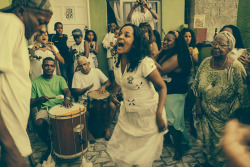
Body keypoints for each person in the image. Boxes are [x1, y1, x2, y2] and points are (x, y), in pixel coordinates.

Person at [107, 24, 167, 167]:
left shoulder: (144, 62)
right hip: (128, 116)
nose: (120, 36)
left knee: (141, 162)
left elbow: (162, 87)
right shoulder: (117, 61)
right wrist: (113, 94)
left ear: (135, 43)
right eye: (120, 34)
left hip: (148, 119)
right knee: (125, 156)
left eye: (127, 35)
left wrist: (159, 114)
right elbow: (119, 80)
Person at [0, 0, 52, 166]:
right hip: (9, 143)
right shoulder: (11, 23)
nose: (43, 29)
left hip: (16, 139)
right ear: (22, 11)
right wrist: (9, 146)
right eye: (41, 21)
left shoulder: (18, 32)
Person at [192, 31, 249, 167]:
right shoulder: (205, 62)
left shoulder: (236, 68)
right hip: (205, 115)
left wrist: (235, 119)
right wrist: (198, 106)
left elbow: (243, 97)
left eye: (221, 45)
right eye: (214, 43)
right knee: (208, 145)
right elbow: (196, 86)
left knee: (223, 149)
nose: (216, 47)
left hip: (225, 118)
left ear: (230, 48)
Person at [154, 30, 192, 160]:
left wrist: (150, 58)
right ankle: (168, 140)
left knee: (173, 121)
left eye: (168, 40)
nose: (165, 42)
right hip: (166, 91)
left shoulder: (177, 56)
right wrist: (158, 53)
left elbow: (162, 69)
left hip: (176, 93)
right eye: (164, 39)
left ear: (176, 43)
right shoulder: (167, 53)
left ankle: (178, 150)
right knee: (165, 118)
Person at [31, 57, 72, 163]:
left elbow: (67, 91)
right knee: (39, 123)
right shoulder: (35, 82)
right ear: (42, 66)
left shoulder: (59, 79)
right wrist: (39, 100)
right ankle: (49, 144)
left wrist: (67, 98)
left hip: (60, 106)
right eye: (46, 65)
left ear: (54, 67)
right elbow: (31, 103)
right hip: (45, 109)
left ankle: (68, 144)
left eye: (51, 65)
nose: (49, 68)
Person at [71, 56, 116, 140]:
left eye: (84, 64)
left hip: (99, 99)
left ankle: (107, 128)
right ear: (78, 66)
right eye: (80, 65)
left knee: (113, 107)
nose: (83, 67)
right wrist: (86, 88)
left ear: (88, 64)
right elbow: (76, 91)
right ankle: (88, 132)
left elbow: (108, 82)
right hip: (85, 100)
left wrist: (103, 87)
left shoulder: (96, 71)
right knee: (85, 113)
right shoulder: (77, 75)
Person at [220, 25, 250, 93]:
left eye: (229, 34)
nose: (225, 36)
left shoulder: (241, 52)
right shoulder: (217, 50)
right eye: (223, 33)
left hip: (235, 87)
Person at [180, 28, 199, 137]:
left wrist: (192, 53)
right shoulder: (180, 48)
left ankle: (188, 118)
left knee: (190, 97)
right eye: (186, 36)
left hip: (191, 75)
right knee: (183, 97)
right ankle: (184, 118)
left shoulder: (194, 49)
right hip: (181, 75)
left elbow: (196, 62)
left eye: (189, 36)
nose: (187, 38)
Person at [50, 22, 74, 88]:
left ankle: (71, 91)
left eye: (61, 28)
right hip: (62, 59)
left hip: (69, 58)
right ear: (54, 29)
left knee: (71, 75)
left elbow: (65, 46)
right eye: (58, 28)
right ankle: (65, 90)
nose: (59, 29)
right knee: (64, 76)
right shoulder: (53, 37)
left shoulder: (65, 36)